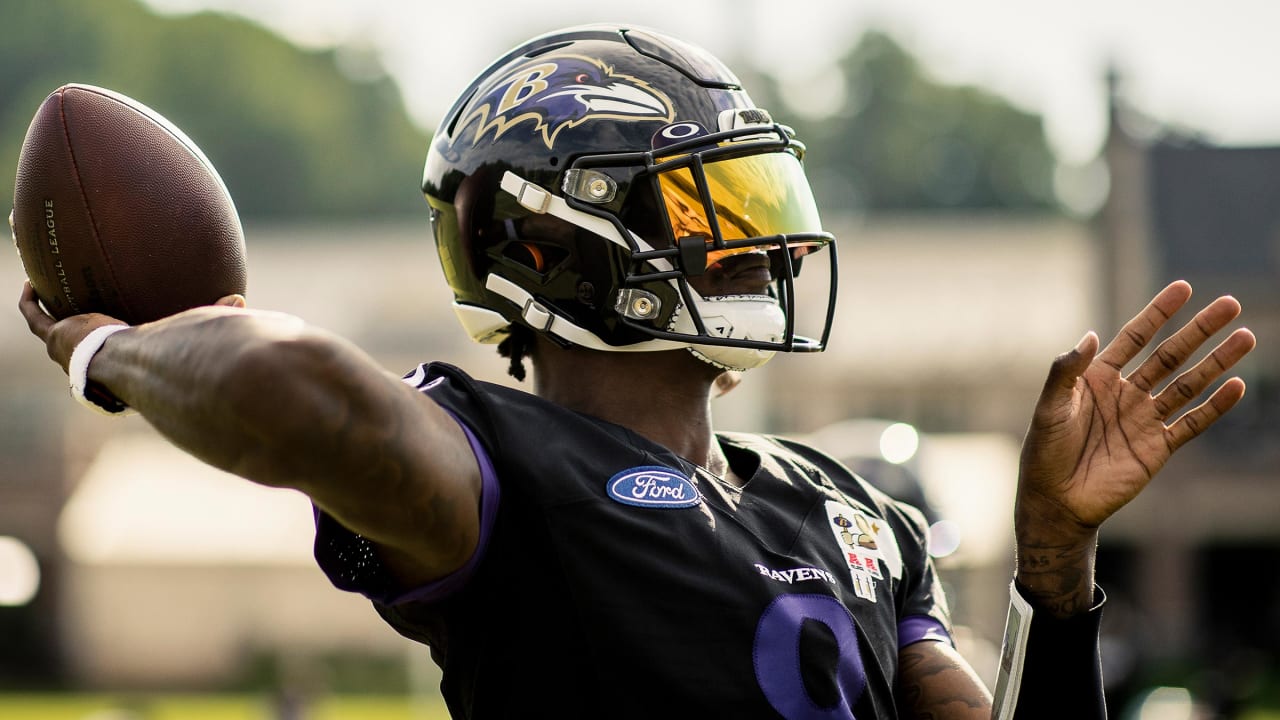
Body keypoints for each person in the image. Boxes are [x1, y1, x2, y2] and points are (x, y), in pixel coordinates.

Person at [17, 24, 1256, 720]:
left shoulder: (852, 508)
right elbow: (290, 389)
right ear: (553, 245)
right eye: (715, 204)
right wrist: (107, 348)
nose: (764, 244)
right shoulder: (494, 467)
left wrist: (1053, 565)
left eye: (763, 199)